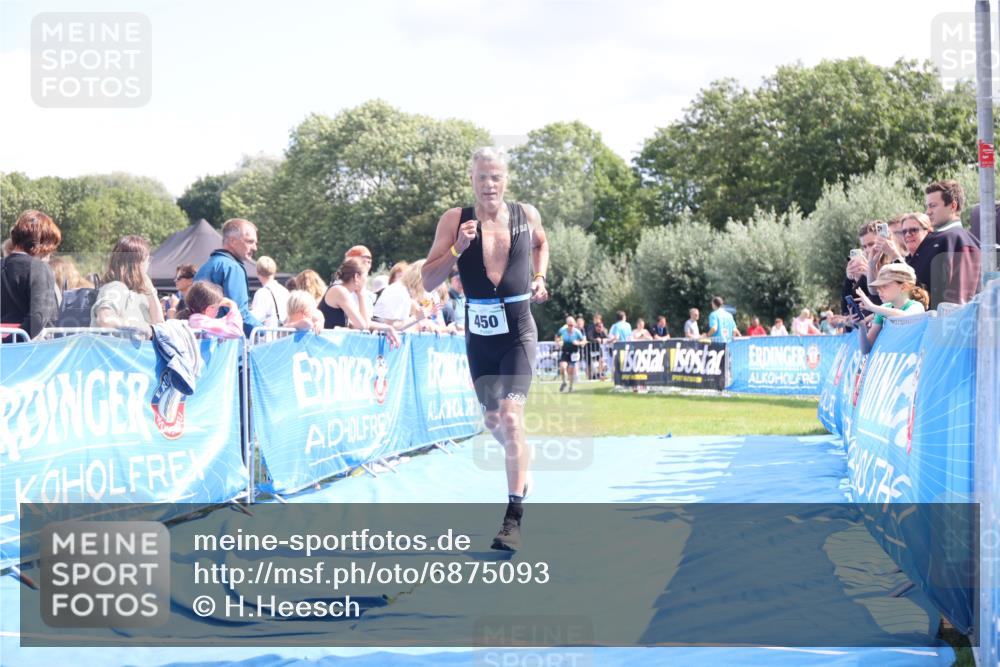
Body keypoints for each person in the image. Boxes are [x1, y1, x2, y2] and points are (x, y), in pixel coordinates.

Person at [420, 146, 549, 552]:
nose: (489, 184)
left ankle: (513, 519)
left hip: (518, 331)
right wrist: (457, 248)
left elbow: (542, 244)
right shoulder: (455, 219)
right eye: (481, 178)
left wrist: (541, 276)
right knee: (494, 421)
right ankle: (520, 457)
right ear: (472, 180)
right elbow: (426, 280)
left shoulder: (525, 215)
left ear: (505, 179)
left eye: (496, 177)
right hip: (479, 337)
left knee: (511, 418)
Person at [916, 180, 982, 307]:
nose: (927, 212)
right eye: (927, 206)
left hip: (943, 323)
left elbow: (960, 298)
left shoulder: (960, 240)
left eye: (933, 205)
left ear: (953, 206)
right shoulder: (941, 238)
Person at [193, 218, 263, 337]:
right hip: (225, 346)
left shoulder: (206, 266)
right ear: (232, 241)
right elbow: (239, 312)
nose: (255, 248)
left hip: (203, 342)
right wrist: (263, 330)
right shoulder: (232, 267)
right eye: (250, 241)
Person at [0, 210, 61, 339]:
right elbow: (38, 317)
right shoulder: (40, 268)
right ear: (43, 242)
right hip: (29, 351)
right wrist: (11, 342)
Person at [91, 235, 164, 335]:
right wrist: (138, 327)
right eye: (147, 259)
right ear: (138, 263)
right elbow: (105, 319)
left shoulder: (140, 294)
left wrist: (151, 291)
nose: (148, 264)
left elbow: (159, 325)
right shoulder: (116, 287)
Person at [319, 258, 402, 346]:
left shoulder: (342, 291)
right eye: (366, 276)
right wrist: (361, 295)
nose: (366, 280)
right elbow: (362, 326)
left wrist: (388, 328)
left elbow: (363, 322)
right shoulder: (340, 291)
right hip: (323, 346)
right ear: (356, 277)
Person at [855, 263, 928, 346]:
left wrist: (872, 307)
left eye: (884, 286)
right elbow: (866, 348)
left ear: (903, 287)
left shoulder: (916, 306)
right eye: (878, 287)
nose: (878, 290)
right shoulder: (883, 308)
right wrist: (861, 326)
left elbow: (907, 317)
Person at [250, 256, 290, 327]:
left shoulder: (261, 293)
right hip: (285, 335)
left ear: (257, 273)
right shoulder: (285, 291)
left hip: (268, 336)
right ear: (274, 271)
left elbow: (255, 318)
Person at [555, 316, 586, 393]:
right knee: (562, 367)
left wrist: (578, 343)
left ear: (574, 325)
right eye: (569, 325)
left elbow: (584, 342)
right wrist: (558, 342)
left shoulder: (577, 332)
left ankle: (571, 387)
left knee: (570, 371)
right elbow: (557, 337)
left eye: (572, 325)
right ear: (567, 324)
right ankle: (564, 382)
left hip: (574, 353)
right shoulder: (562, 330)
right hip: (565, 352)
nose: (571, 327)